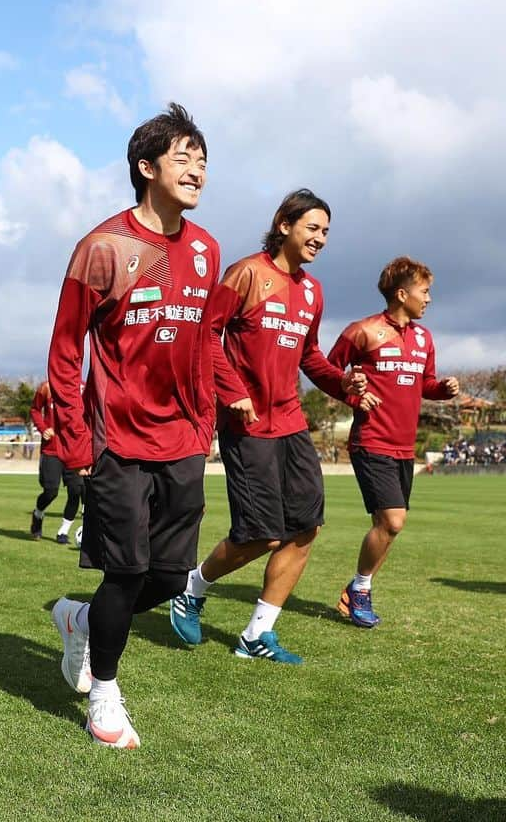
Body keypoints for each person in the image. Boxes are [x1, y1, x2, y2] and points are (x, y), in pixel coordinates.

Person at [47, 103, 218, 749]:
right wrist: (75, 437)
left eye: (203, 160)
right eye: (184, 158)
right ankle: (106, 696)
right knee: (126, 570)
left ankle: (80, 620)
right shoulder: (102, 248)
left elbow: (204, 342)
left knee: (170, 578)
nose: (198, 169)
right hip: (117, 437)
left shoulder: (206, 249)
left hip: (183, 438)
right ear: (146, 168)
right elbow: (67, 349)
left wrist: (204, 421)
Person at [170, 189, 368, 663]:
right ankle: (191, 588)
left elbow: (311, 358)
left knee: (305, 529)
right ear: (284, 224)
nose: (320, 238)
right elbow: (204, 335)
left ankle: (257, 635)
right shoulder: (246, 273)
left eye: (326, 231)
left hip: (292, 423)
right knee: (261, 534)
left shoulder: (312, 291)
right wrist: (231, 389)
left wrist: (346, 385)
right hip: (247, 424)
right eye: (312, 227)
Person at [327, 257, 459, 627]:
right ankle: (361, 590)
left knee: (386, 528)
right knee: (393, 521)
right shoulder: (363, 331)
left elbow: (425, 383)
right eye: (425, 291)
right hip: (371, 441)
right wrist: (354, 395)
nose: (429, 299)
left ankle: (356, 590)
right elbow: (328, 371)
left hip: (404, 447)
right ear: (402, 294)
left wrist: (443, 389)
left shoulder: (423, 338)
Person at [28, 379, 84, 544]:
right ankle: (38, 513)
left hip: (74, 450)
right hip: (52, 449)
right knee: (51, 491)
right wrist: (43, 428)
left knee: (76, 491)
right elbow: (35, 410)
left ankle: (63, 532)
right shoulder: (46, 387)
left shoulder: (83, 388)